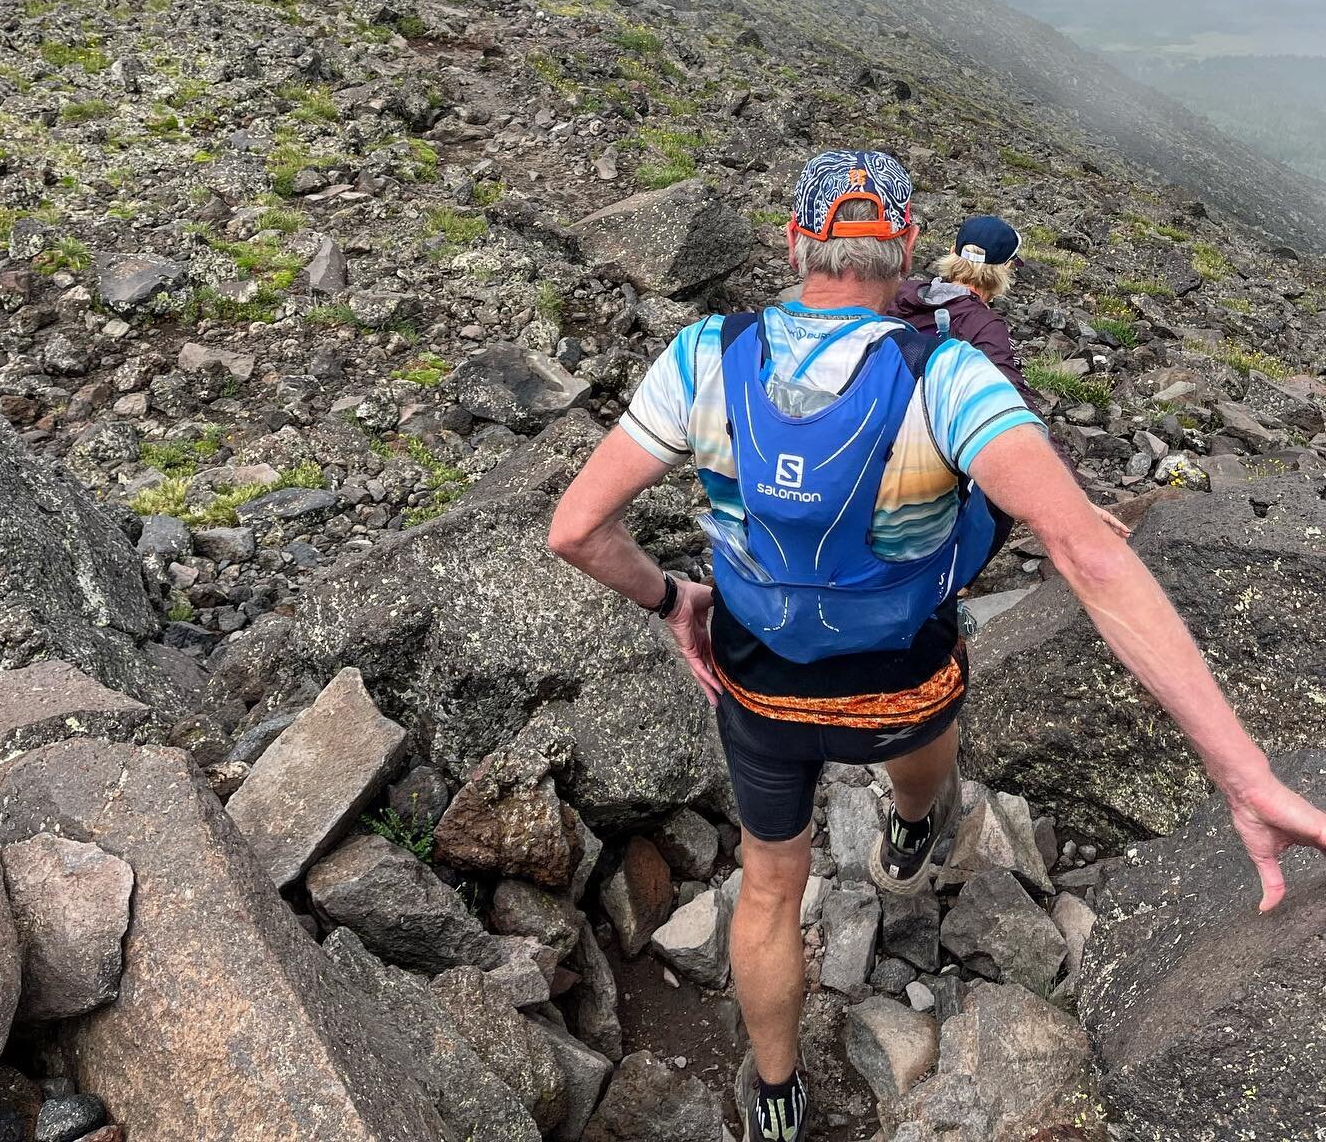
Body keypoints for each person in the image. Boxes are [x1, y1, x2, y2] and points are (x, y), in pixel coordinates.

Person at [547, 149, 1326, 1142]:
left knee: (772, 887)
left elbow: (574, 528)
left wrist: (670, 600)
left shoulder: (705, 355)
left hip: (761, 689)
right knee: (925, 746)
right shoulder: (947, 374)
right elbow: (1087, 551)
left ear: (797, 243)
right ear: (909, 250)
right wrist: (1243, 772)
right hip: (903, 677)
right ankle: (911, 835)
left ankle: (779, 1097)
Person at [890, 211, 1120, 543]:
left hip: (877, 437)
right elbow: (1013, 405)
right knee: (995, 498)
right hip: (926, 462)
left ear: (954, 254)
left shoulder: (904, 294)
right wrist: (1070, 492)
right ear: (1005, 270)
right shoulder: (982, 326)